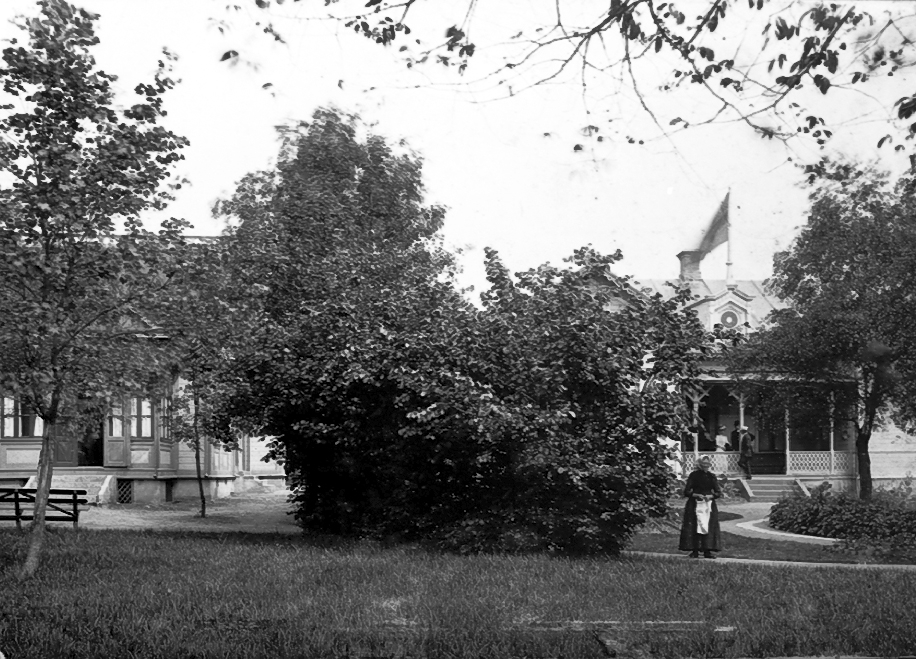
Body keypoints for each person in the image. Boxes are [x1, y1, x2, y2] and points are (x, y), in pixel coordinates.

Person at [678, 455, 722, 559]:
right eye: (704, 464)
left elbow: (718, 492)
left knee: (708, 526)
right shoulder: (694, 475)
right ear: (700, 464)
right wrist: (696, 495)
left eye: (707, 464)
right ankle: (695, 550)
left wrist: (711, 496)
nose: (706, 466)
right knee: (695, 525)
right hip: (695, 503)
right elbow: (687, 491)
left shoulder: (711, 476)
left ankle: (707, 550)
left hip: (708, 504)